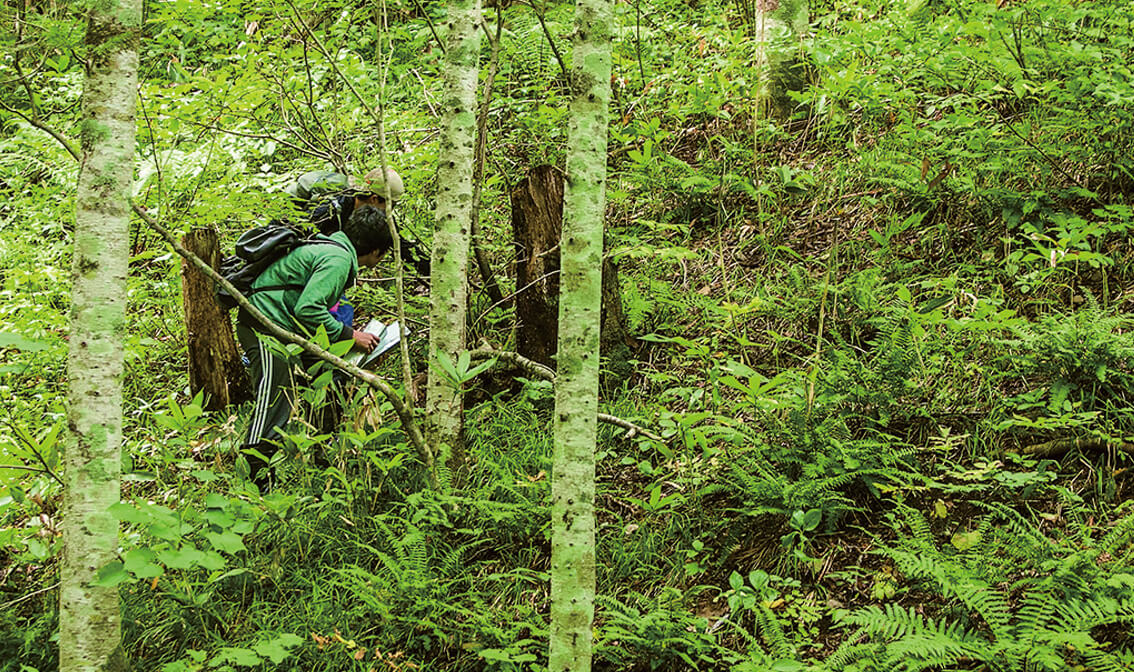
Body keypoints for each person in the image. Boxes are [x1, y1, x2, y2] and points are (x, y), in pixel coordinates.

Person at [236, 204, 392, 491]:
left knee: (329, 375)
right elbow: (308, 308)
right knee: (273, 398)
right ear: (377, 251)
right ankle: (255, 475)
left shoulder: (334, 250)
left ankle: (322, 451)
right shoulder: (338, 259)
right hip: (265, 326)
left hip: (285, 330)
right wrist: (350, 334)